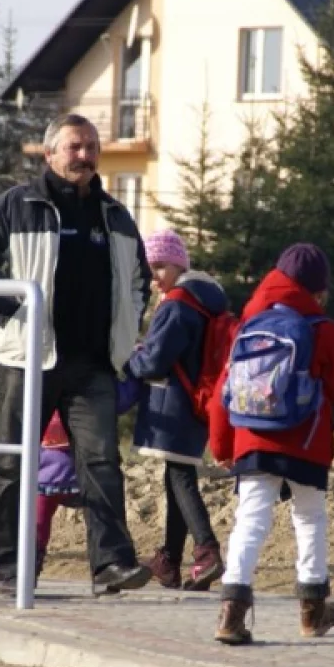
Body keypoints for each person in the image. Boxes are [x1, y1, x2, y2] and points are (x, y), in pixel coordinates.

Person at [0, 113, 153, 595]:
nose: (85, 155)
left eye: (91, 147)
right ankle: (13, 568)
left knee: (102, 463)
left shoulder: (115, 215)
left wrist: (126, 327)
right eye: (74, 147)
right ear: (49, 154)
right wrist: (16, 316)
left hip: (94, 364)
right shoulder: (14, 206)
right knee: (14, 463)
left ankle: (110, 565)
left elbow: (139, 281)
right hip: (29, 360)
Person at [208, 243, 334, 645]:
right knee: (309, 517)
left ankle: (231, 612)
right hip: (305, 440)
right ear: (319, 289)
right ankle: (312, 611)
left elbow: (223, 393)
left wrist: (223, 446)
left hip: (253, 439)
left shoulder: (248, 324)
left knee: (250, 519)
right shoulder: (321, 328)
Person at [124, 228, 226, 591]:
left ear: (178, 264)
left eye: (160, 266)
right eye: (148, 267)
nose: (153, 275)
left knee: (181, 479)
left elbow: (155, 361)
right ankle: (169, 559)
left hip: (173, 402)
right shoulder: (206, 299)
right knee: (176, 477)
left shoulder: (178, 303)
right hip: (197, 401)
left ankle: (207, 551)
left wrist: (129, 363)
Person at [36, 377, 139, 582]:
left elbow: (118, 399)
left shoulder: (86, 375)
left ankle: (110, 564)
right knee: (36, 525)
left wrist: (135, 373)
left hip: (75, 473)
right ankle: (26, 568)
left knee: (102, 516)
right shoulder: (43, 378)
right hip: (49, 474)